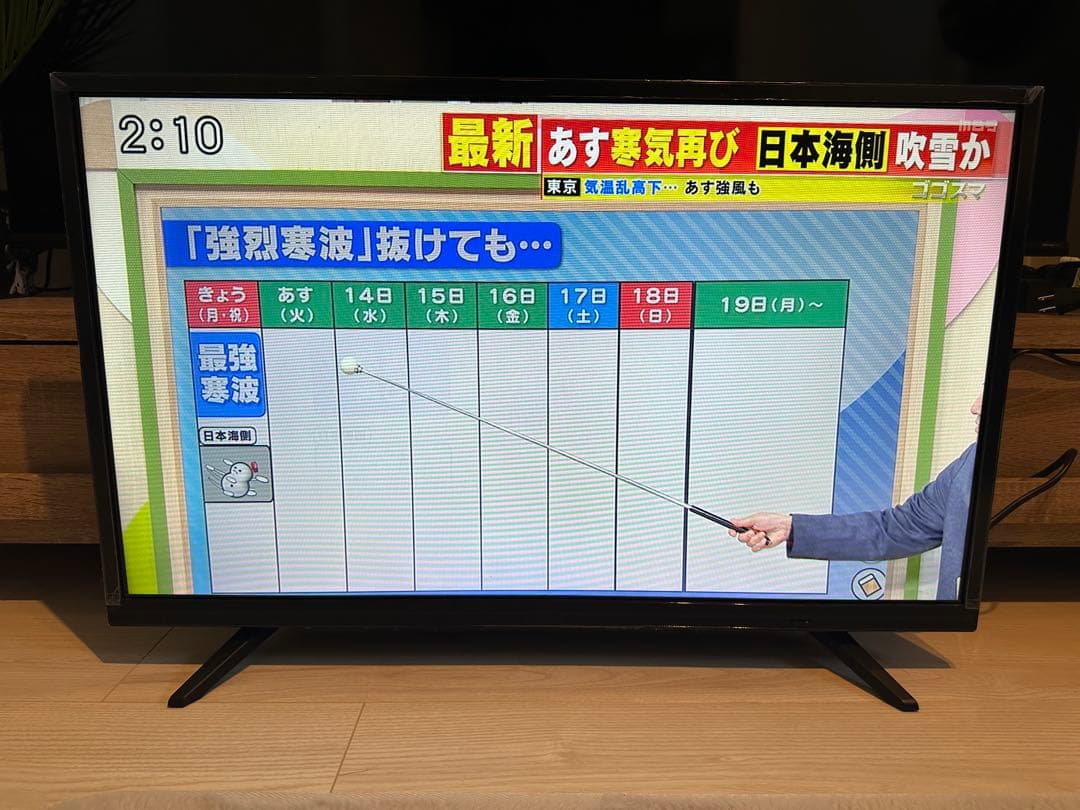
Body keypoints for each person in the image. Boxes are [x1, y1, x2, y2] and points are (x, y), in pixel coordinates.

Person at [728, 396, 982, 600]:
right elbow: (899, 528)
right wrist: (791, 528)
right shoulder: (969, 464)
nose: (974, 407)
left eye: (987, 394)